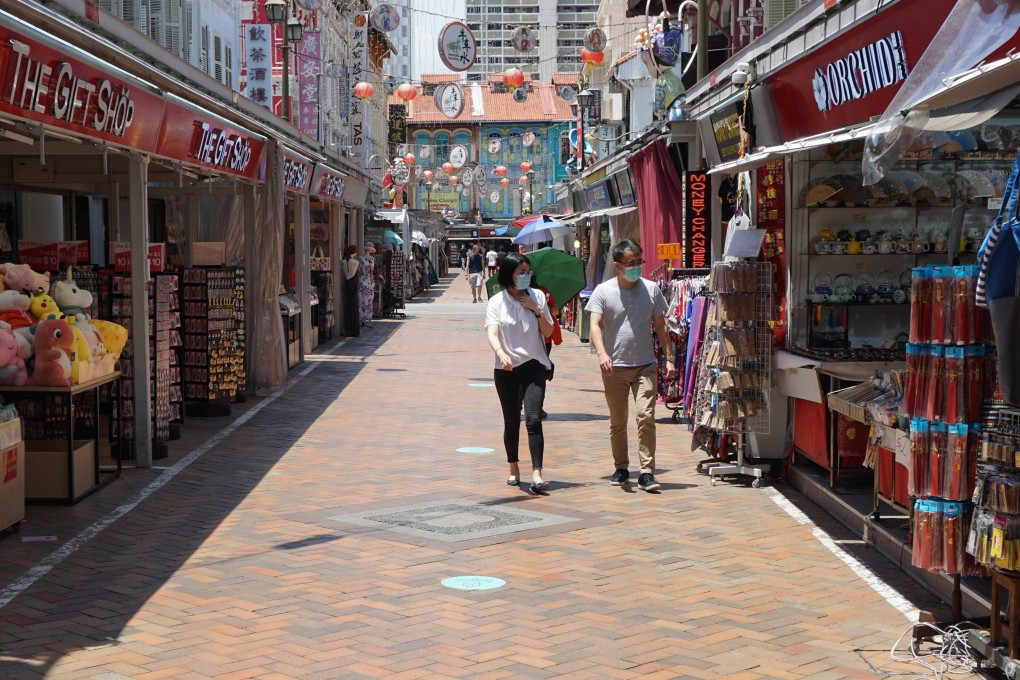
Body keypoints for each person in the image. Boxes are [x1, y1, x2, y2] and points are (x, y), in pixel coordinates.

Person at [587, 239, 674, 492]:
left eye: (639, 262)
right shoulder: (603, 291)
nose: (636, 267)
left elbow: (660, 325)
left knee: (646, 416)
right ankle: (622, 467)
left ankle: (646, 471)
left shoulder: (651, 288)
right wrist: (602, 354)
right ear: (617, 265)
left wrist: (668, 357)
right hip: (613, 366)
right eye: (630, 263)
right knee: (618, 421)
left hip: (644, 364)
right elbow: (595, 324)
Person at [485, 252, 554, 492]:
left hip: (534, 365)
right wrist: (501, 353)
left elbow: (547, 332)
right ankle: (513, 466)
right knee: (512, 420)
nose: (526, 277)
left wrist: (537, 309)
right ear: (509, 274)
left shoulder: (538, 297)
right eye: (521, 272)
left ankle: (537, 473)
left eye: (528, 272)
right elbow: (492, 333)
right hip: (505, 368)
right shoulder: (497, 301)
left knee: (534, 419)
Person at [342, 244, 361, 337]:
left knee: (348, 306)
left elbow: (347, 276)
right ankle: (353, 329)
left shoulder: (344, 261)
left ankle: (349, 327)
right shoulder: (355, 262)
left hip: (347, 286)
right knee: (353, 306)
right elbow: (351, 275)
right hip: (353, 287)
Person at [359, 242, 376, 328]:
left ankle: (367, 317)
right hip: (363, 279)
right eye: (368, 248)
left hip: (370, 280)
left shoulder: (372, 258)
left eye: (370, 248)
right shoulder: (361, 258)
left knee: (369, 299)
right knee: (363, 299)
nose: (369, 249)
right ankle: (361, 318)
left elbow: (372, 271)